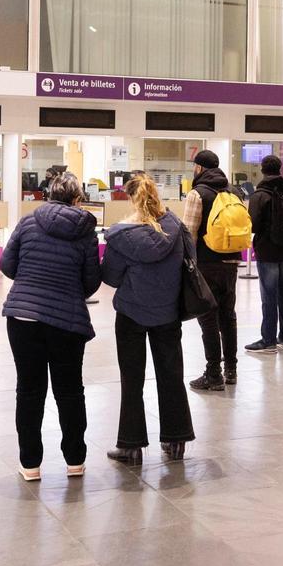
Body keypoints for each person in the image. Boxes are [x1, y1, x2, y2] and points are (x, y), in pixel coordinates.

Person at [1, 173, 101, 481]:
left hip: (23, 318)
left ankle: (30, 464)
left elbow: (7, 264)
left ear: (49, 195)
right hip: (67, 321)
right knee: (70, 391)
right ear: (77, 199)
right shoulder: (86, 231)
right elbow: (91, 282)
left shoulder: (28, 222)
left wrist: (30, 279)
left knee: (29, 391)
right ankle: (75, 461)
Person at [102, 175, 193, 465]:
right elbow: (190, 264)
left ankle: (130, 446)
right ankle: (176, 440)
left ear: (132, 199)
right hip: (168, 313)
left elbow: (110, 276)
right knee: (171, 375)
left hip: (131, 313)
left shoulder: (121, 236)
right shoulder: (176, 227)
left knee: (132, 379)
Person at [183, 150, 242, 391]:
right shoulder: (233, 192)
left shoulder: (197, 193)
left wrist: (187, 264)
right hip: (231, 262)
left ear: (199, 168)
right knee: (228, 316)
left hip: (207, 264)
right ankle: (231, 370)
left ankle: (213, 373)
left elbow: (189, 234)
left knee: (208, 318)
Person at [245, 154, 283, 354]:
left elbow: (253, 224)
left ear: (262, 170)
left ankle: (268, 340)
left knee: (269, 295)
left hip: (267, 250)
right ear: (280, 169)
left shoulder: (260, 195)